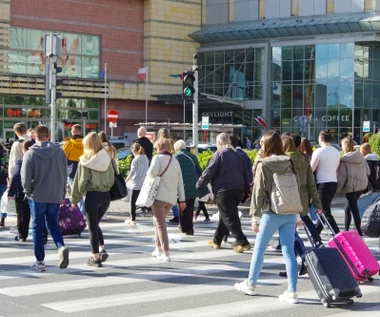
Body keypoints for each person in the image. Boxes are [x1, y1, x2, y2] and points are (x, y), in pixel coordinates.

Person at [234, 130, 299, 304]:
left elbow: (258, 192)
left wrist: (254, 217)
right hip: (290, 211)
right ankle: (292, 291)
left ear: (267, 144)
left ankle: (251, 284)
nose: (261, 144)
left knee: (259, 249)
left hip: (271, 212)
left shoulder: (264, 164)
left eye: (263, 142)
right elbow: (294, 187)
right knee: (289, 252)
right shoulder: (289, 161)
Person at [21, 125, 69, 272]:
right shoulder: (60, 152)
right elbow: (64, 174)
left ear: (34, 136)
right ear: (48, 135)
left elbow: (25, 176)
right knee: (53, 224)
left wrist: (27, 191)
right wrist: (62, 194)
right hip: (55, 194)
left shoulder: (30, 154)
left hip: (38, 195)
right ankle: (61, 246)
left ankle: (40, 261)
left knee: (37, 227)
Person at [196, 133, 251, 253]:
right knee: (225, 215)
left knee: (229, 217)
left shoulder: (219, 154)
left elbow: (209, 172)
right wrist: (246, 189)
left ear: (219, 143)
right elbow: (245, 174)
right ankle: (217, 240)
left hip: (223, 190)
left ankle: (243, 242)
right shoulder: (238, 155)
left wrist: (199, 185)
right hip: (238, 190)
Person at [278, 134, 323, 278]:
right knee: (299, 225)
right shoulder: (304, 159)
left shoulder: (283, 160)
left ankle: (301, 259)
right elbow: (312, 184)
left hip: (287, 198)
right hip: (302, 198)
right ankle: (317, 244)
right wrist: (317, 203)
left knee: (288, 231)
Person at [70, 132, 114, 267]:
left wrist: (75, 199)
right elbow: (113, 177)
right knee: (95, 223)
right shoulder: (108, 158)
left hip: (92, 195)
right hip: (106, 195)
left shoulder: (85, 160)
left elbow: (81, 182)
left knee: (92, 226)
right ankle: (102, 248)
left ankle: (95, 257)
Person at [148, 138, 186, 262]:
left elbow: (151, 173)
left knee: (160, 223)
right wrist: (182, 199)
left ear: (158, 147)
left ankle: (166, 253)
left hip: (158, 196)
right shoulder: (175, 161)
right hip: (171, 198)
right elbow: (180, 182)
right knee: (157, 221)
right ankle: (157, 248)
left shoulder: (157, 158)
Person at [174, 140, 208, 235]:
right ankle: (190, 227)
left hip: (181, 187)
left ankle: (185, 228)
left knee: (182, 207)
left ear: (176, 148)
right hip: (193, 186)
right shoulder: (192, 157)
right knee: (190, 207)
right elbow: (199, 171)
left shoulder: (175, 157)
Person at [337, 137, 370, 236]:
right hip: (361, 186)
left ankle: (359, 232)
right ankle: (346, 230)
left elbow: (341, 177)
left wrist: (337, 189)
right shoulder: (360, 156)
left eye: (342, 145)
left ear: (345, 146)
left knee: (354, 210)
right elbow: (368, 171)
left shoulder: (345, 160)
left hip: (350, 187)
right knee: (348, 208)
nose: (341, 146)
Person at [310, 130, 341, 234]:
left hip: (322, 183)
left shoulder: (318, 151)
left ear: (320, 139)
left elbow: (312, 169)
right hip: (333, 182)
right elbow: (337, 169)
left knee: (325, 211)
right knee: (324, 210)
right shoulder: (336, 151)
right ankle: (315, 234)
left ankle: (338, 234)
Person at [8, 140, 34, 241]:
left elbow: (17, 176)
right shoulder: (40, 159)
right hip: (39, 191)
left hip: (23, 191)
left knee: (22, 214)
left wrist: (11, 192)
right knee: (39, 214)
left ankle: (22, 235)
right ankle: (42, 235)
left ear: (24, 150)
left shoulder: (22, 160)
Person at [63, 124, 85, 215]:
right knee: (82, 191)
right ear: (80, 131)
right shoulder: (86, 142)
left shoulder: (69, 143)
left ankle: (82, 212)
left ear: (73, 131)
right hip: (84, 168)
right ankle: (84, 210)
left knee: (74, 191)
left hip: (72, 169)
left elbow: (63, 156)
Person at [125, 143, 149, 225]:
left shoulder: (135, 160)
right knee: (144, 200)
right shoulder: (145, 158)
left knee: (132, 202)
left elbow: (132, 173)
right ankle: (149, 210)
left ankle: (132, 218)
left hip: (135, 183)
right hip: (144, 183)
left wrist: (126, 180)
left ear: (134, 150)